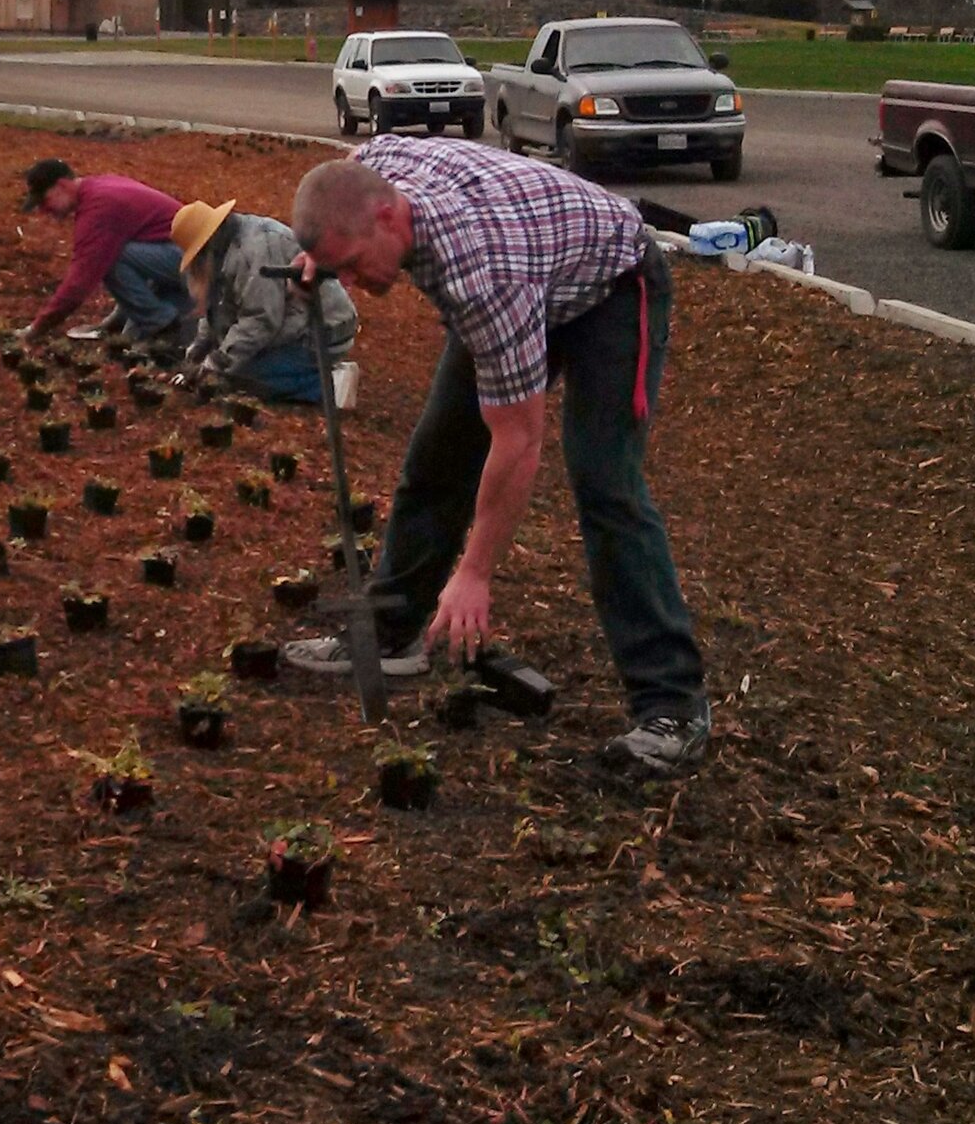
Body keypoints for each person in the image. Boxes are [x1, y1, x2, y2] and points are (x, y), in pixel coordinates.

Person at [283, 136, 710, 782]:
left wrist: (476, 570)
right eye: (335, 268)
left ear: (389, 219)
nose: (349, 283)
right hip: (538, 258)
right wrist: (318, 254)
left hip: (612, 285)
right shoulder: (375, 173)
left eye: (350, 265)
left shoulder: (482, 275)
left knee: (604, 479)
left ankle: (672, 704)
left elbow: (518, 439)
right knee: (438, 452)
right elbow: (350, 171)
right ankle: (393, 630)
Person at [169, 199, 359, 405]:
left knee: (239, 378)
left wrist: (214, 364)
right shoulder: (226, 247)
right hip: (292, 321)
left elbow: (261, 320)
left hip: (323, 328)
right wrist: (198, 349)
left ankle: (329, 383)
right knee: (233, 365)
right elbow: (217, 307)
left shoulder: (252, 252)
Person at [19, 158, 193, 345]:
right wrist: (114, 321)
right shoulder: (100, 185)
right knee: (113, 254)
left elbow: (78, 284)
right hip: (184, 258)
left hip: (195, 262)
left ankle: (163, 326)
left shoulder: (98, 208)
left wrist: (36, 329)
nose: (44, 210)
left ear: (62, 186)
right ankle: (159, 319)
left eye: (45, 201)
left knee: (108, 257)